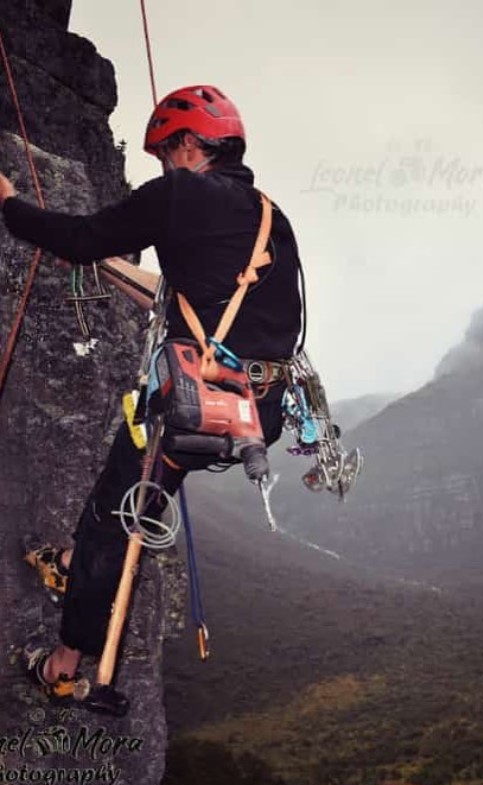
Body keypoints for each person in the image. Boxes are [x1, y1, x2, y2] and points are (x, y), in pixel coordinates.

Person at [0, 85, 303, 702]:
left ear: (189, 144)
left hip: (193, 402)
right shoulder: (271, 213)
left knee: (112, 520)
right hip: (254, 409)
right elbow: (221, 305)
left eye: (166, 152)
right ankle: (80, 565)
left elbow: (83, 238)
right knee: (138, 505)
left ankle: (66, 663)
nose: (162, 164)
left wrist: (10, 206)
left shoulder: (177, 194)